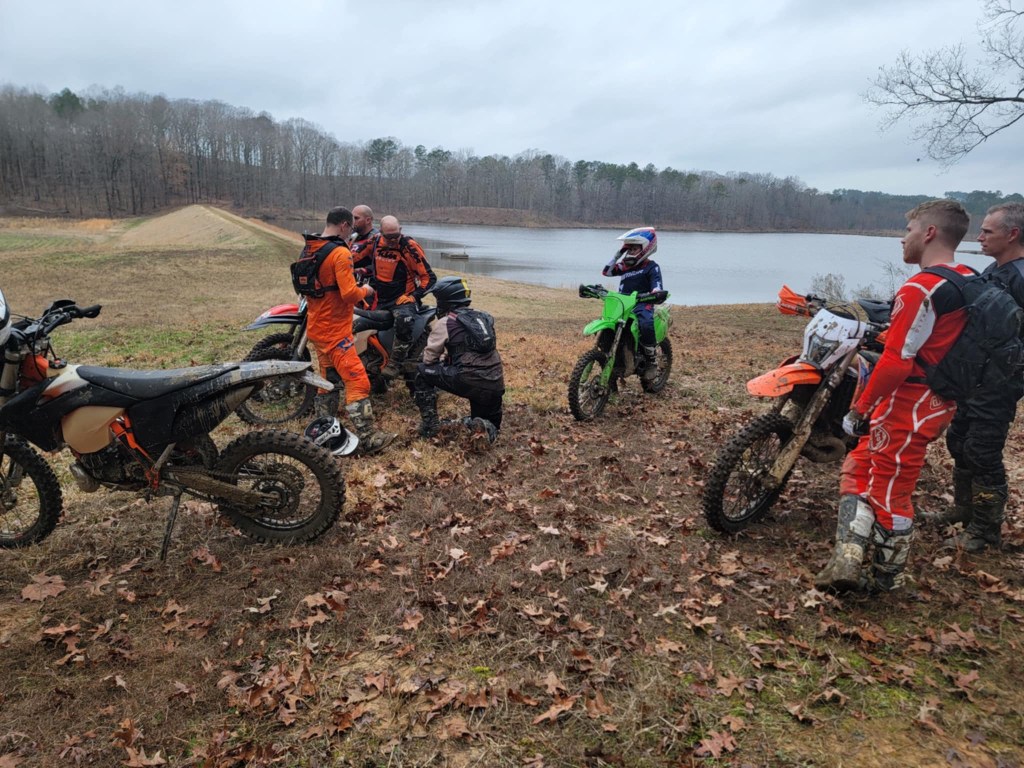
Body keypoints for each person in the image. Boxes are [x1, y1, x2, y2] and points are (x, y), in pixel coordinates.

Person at [815, 199, 974, 593]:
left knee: (890, 488)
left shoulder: (922, 286)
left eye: (909, 231)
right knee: (860, 464)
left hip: (912, 402)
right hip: (935, 399)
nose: (903, 239)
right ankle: (847, 558)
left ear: (930, 233)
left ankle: (887, 577)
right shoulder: (968, 276)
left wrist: (859, 407)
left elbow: (897, 361)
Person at [929, 202, 1024, 551]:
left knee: (983, 452)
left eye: (988, 231)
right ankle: (964, 510)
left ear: (1012, 234)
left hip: (999, 385)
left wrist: (1010, 376)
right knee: (960, 441)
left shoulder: (1020, 277)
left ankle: (985, 531)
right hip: (973, 380)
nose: (980, 236)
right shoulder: (996, 269)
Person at [301, 206, 395, 454]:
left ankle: (323, 430)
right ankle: (370, 438)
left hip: (316, 327)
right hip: (336, 331)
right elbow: (350, 294)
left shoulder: (311, 246)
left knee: (327, 381)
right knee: (358, 381)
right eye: (350, 227)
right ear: (344, 225)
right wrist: (368, 291)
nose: (351, 231)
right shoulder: (340, 253)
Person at [412, 276, 504, 443]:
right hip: (495, 382)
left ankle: (430, 425)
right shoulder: (484, 317)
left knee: (421, 372)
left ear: (445, 300)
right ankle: (485, 427)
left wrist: (443, 361)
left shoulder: (447, 321)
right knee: (490, 423)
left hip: (467, 379)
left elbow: (428, 358)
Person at [371, 215, 437, 379]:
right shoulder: (374, 242)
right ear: (381, 232)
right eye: (389, 237)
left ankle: (396, 363)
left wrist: (414, 296)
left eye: (396, 235)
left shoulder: (409, 246)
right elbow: (354, 257)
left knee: (404, 321)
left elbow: (429, 277)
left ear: (400, 230)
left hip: (403, 300)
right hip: (379, 298)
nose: (393, 240)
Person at [602, 227, 667, 381]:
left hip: (642, 303)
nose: (630, 252)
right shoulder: (625, 266)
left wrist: (654, 294)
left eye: (634, 248)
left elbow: (657, 286)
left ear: (645, 249)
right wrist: (618, 254)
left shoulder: (652, 267)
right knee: (608, 326)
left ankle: (651, 360)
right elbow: (607, 272)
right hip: (623, 305)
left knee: (645, 322)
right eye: (629, 248)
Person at [350, 204, 378, 274]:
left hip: (366, 280)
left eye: (356, 218)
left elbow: (382, 264)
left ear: (368, 220)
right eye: (352, 218)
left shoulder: (377, 239)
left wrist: (365, 270)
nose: (353, 221)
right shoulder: (351, 236)